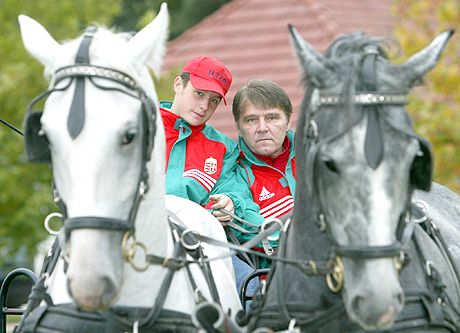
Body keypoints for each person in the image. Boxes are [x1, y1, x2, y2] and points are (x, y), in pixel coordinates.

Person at [160, 55, 247, 222]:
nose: (204, 106)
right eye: (199, 93)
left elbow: (231, 191)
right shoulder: (140, 128)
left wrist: (230, 203)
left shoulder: (224, 148)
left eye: (214, 100)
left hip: (193, 241)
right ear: (178, 85)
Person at [232, 79, 296, 267]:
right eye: (251, 120)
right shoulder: (233, 171)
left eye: (271, 118)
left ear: (288, 121)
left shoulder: (314, 155)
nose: (262, 128)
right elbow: (247, 226)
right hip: (273, 280)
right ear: (238, 127)